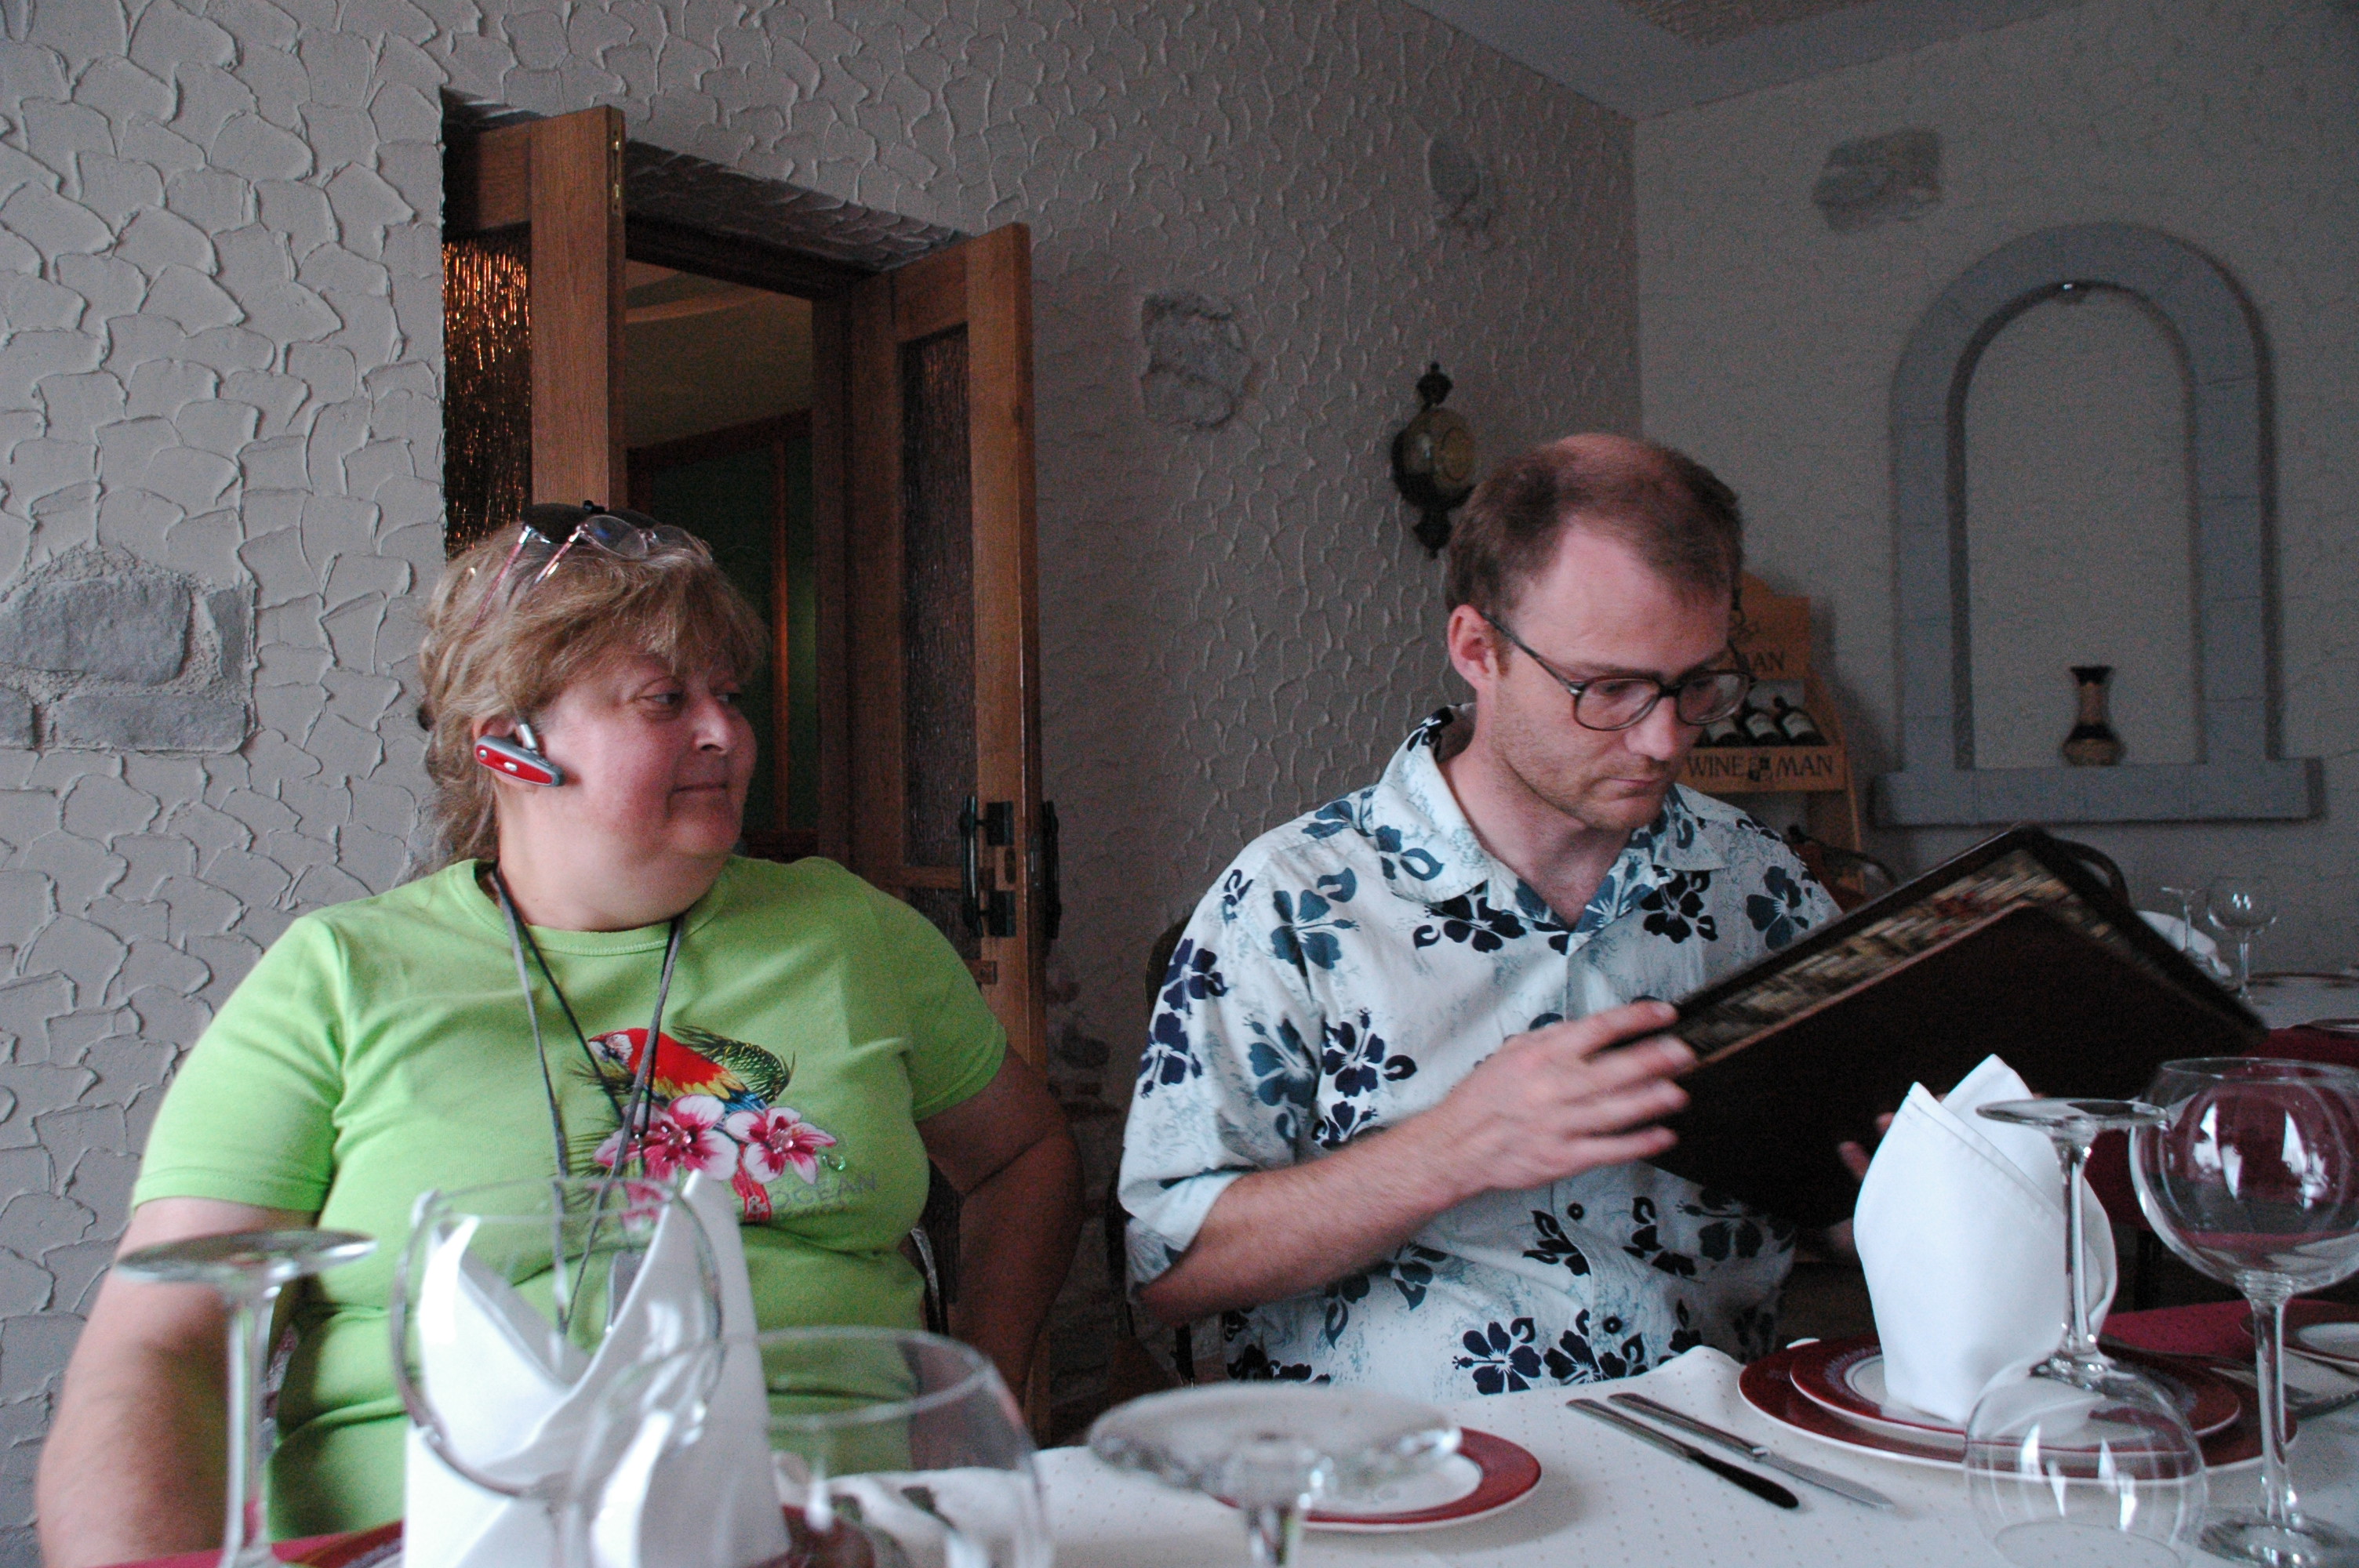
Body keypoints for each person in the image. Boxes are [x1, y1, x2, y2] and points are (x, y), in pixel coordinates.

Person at [39, 506, 1082, 1564]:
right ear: (509, 745)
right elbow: (161, 1344)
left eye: (728, 695)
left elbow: (1026, 1154)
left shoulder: (850, 932)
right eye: (666, 700)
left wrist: (972, 1399)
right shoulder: (339, 977)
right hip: (435, 1536)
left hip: (829, 1528)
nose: (725, 734)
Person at [1120, 435, 1840, 1396]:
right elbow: (1167, 1271)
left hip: (1712, 1440)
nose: (1662, 738)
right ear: (1476, 649)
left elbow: (1844, 1196)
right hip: (1400, 1466)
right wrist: (1451, 1148)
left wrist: (1900, 1176)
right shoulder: (1292, 900)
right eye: (1609, 689)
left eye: (1695, 683)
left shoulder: (1756, 882)